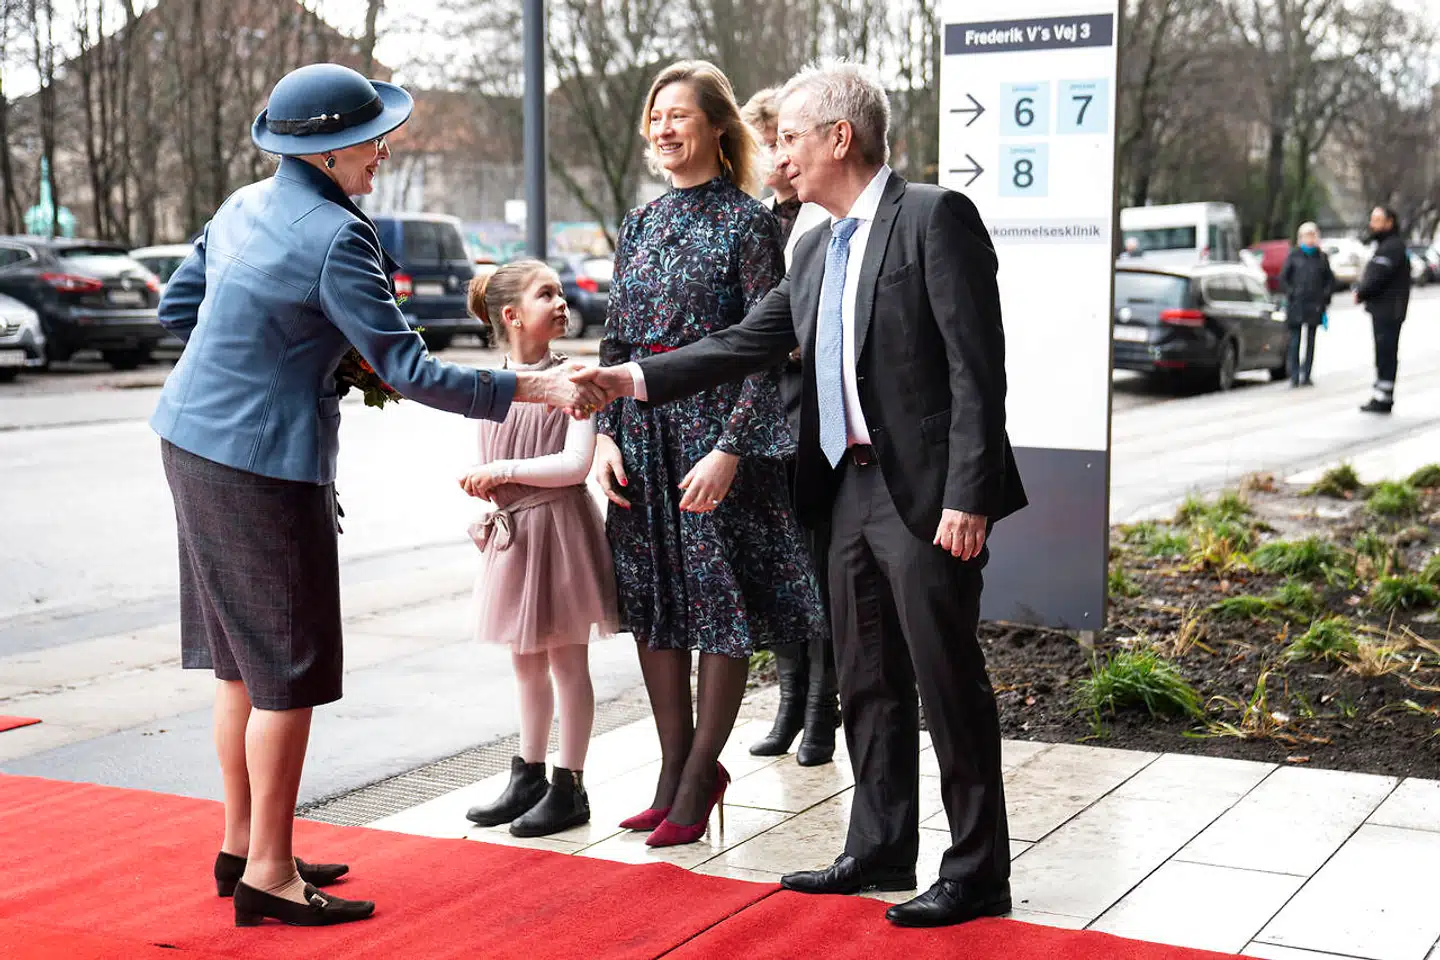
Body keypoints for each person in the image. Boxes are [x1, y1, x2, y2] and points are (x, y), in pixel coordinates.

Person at [575, 60, 1026, 928]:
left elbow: (979, 371)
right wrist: (624, 379)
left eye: (788, 137)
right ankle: (880, 848)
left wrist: (969, 496)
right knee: (867, 682)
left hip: (926, 498)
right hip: (839, 492)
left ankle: (976, 870)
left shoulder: (934, 218)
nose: (777, 153)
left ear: (838, 138)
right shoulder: (812, 244)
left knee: (947, 681)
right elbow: (746, 342)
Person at [151, 63, 598, 929]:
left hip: (190, 439)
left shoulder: (244, 202)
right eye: (372, 137)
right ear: (325, 151)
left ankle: (244, 846)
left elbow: (181, 312)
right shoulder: (337, 237)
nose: (384, 151)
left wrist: (289, 354)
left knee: (239, 663)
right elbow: (411, 371)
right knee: (286, 671)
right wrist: (539, 391)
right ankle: (271, 877)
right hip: (259, 465)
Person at [593, 60, 827, 848]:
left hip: (719, 441)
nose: (662, 128)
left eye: (677, 115)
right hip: (645, 441)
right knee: (654, 605)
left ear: (717, 128)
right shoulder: (639, 223)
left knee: (720, 613)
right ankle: (669, 772)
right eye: (654, 115)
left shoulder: (749, 224)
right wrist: (603, 437)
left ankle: (701, 773)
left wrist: (733, 448)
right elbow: (617, 340)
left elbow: (770, 347)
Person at [457, 260, 617, 838]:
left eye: (558, 292)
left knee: (567, 662)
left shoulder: (574, 378)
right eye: (544, 293)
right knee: (524, 663)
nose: (561, 301)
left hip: (558, 529)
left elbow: (575, 465)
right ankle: (527, 775)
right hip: (515, 533)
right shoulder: (492, 384)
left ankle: (569, 785)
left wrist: (501, 469)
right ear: (512, 315)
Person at [739, 86, 839, 766]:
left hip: (812, 414)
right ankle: (787, 702)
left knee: (818, 569)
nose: (768, 155)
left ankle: (821, 716)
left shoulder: (827, 219)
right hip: (762, 411)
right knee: (781, 571)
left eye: (775, 141)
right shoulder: (757, 222)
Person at [1355, 205, 1411, 413]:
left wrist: (1361, 293)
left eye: (1377, 220)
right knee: (1383, 352)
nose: (1372, 224)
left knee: (1386, 352)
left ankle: (1383, 398)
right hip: (1386, 308)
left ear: (1389, 222)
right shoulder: (1386, 245)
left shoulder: (1391, 247)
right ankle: (1382, 394)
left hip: (1388, 309)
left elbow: (1378, 276)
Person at [1279, 223, 1334, 387]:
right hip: (1297, 304)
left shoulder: (1321, 257)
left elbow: (1329, 280)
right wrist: (1292, 292)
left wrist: (1325, 296)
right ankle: (1294, 375)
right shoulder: (1294, 256)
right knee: (1294, 341)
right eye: (1306, 236)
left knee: (1311, 341)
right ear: (1300, 238)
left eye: (1312, 235)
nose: (1310, 239)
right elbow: (1283, 278)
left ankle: (1307, 374)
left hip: (1315, 305)